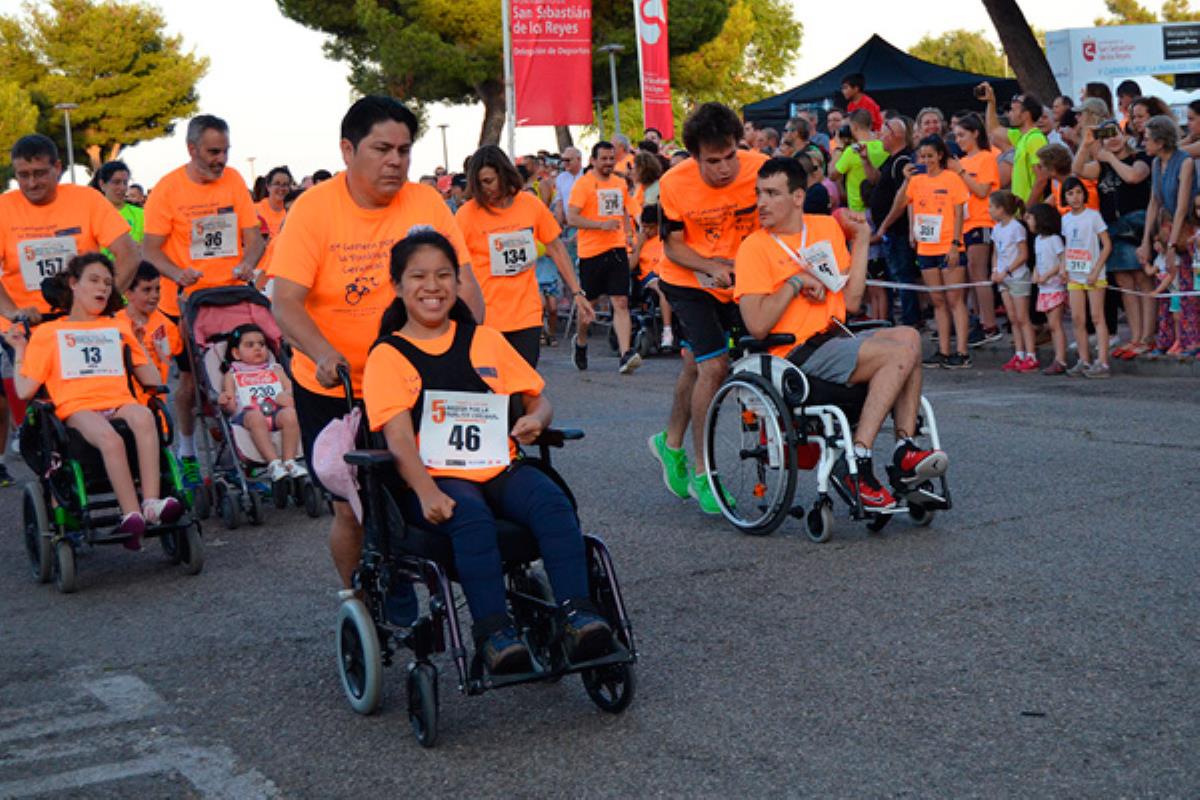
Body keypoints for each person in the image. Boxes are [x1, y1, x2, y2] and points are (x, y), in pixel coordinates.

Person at [363, 230, 614, 674]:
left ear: (458, 283)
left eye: (444, 275)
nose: (433, 286)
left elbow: (538, 399)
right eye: (418, 276)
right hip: (437, 474)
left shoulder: (485, 340)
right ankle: (494, 634)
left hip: (499, 465)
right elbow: (398, 437)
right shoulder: (388, 355)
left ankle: (578, 617)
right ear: (398, 286)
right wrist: (426, 492)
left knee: (553, 503)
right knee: (471, 518)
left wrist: (537, 419)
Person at [269, 96, 482, 596]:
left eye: (404, 151)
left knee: (443, 487)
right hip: (337, 386)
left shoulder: (425, 203)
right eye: (382, 149)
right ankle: (362, 599)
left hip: (414, 379)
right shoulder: (313, 210)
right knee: (353, 507)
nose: (395, 162)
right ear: (348, 150)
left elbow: (465, 285)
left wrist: (473, 346)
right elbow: (285, 302)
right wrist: (322, 352)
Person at [734, 157, 948, 510]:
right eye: (759, 193)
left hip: (834, 337)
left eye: (772, 194)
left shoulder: (824, 229)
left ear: (798, 197)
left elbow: (850, 301)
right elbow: (756, 325)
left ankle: (904, 451)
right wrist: (795, 282)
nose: (762, 203)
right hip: (794, 354)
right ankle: (858, 460)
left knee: (909, 337)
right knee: (898, 355)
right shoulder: (754, 247)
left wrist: (861, 239)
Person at [5, 253, 183, 546]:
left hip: (118, 401)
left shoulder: (119, 326)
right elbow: (25, 391)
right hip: (77, 407)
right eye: (94, 280)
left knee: (144, 417)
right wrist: (21, 349)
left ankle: (151, 503)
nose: (102, 288)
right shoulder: (49, 332)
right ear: (74, 284)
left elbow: (152, 380)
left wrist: (139, 343)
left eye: (108, 283)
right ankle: (131, 514)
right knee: (110, 439)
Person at [647, 102, 768, 514]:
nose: (724, 168)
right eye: (712, 161)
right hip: (688, 278)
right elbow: (673, 246)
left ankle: (670, 443)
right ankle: (705, 474)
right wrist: (711, 267)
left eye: (730, 156)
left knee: (694, 364)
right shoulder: (673, 182)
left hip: (740, 278)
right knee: (714, 367)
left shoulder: (761, 169)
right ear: (695, 157)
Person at [142, 114, 266, 487]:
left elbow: (254, 239)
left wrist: (248, 262)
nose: (221, 159)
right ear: (192, 149)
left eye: (225, 151)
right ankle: (188, 453)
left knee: (240, 374)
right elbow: (150, 251)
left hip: (232, 298)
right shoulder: (167, 190)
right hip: (186, 303)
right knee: (190, 384)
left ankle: (246, 453)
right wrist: (177, 273)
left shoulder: (234, 180)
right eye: (213, 152)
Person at [455, 145, 593, 367]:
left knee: (524, 385)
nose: (486, 188)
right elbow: (454, 267)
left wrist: (577, 292)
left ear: (504, 174)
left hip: (526, 316)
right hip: (485, 319)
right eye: (480, 183)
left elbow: (556, 248)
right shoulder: (466, 215)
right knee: (493, 387)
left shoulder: (530, 205)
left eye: (489, 181)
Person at [0, 134, 138, 319]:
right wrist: (12, 312)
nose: (32, 183)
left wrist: (101, 302)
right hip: (25, 322)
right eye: (23, 175)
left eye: (40, 173)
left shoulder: (87, 200)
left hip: (84, 320)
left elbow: (129, 255)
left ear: (57, 168)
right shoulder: (4, 208)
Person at [879, 136, 971, 368]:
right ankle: (943, 350)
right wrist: (906, 180)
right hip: (926, 247)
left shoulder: (951, 178)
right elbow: (901, 203)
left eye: (930, 156)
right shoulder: (917, 180)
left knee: (955, 299)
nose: (926, 160)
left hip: (948, 245)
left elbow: (959, 213)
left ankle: (962, 351)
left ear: (940, 155)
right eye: (923, 156)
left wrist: (955, 243)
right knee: (937, 300)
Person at [1073, 120, 1154, 359]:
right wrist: (1085, 144)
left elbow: (1133, 177)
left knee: (1142, 280)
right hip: (1114, 228)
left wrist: (1109, 157)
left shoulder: (1140, 157)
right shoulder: (1102, 166)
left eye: (1116, 133)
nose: (1113, 139)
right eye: (1106, 136)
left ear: (1124, 135)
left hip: (1137, 226)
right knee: (1124, 283)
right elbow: (1077, 169)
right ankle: (1135, 336)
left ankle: (1148, 337)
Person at [567, 141, 640, 374]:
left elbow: (628, 209)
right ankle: (581, 342)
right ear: (593, 161)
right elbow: (572, 218)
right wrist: (600, 225)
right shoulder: (584, 184)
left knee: (621, 301)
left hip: (617, 249)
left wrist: (632, 232)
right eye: (604, 159)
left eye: (611, 158)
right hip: (591, 253)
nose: (608, 163)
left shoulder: (619, 183)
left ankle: (625, 354)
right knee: (589, 306)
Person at [1138, 115, 1200, 356]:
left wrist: (1172, 245)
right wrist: (1145, 240)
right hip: (1166, 229)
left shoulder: (1184, 162)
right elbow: (1154, 203)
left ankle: (1191, 341)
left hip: (1186, 230)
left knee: (1187, 288)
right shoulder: (1156, 163)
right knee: (1167, 289)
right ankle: (1168, 339)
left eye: (1147, 139)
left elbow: (1183, 207)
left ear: (1160, 141)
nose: (1143, 143)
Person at [217, 323, 306, 484]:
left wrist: (286, 396)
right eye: (250, 345)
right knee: (255, 417)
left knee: (291, 414)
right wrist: (225, 402)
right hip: (248, 414)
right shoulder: (233, 374)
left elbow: (291, 389)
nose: (258, 348)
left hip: (275, 411)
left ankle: (289, 460)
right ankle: (274, 462)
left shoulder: (275, 369)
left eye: (262, 344)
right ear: (236, 353)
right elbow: (231, 406)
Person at [950, 113, 1002, 342]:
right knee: (971, 274)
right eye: (956, 136)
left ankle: (990, 324)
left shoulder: (986, 158)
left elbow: (982, 191)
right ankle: (978, 319)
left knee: (978, 270)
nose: (958, 140)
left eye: (962, 135)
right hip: (964, 223)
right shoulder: (961, 162)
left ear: (975, 133)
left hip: (982, 220)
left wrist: (960, 172)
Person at [867, 116, 921, 327]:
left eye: (883, 131)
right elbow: (875, 180)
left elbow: (904, 199)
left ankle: (910, 321)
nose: (879, 135)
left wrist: (885, 225)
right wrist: (865, 160)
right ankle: (896, 319)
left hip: (898, 231)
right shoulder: (891, 160)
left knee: (903, 276)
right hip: (890, 231)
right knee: (894, 275)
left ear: (896, 135)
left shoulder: (902, 161)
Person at [1061, 177, 1113, 378]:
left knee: (1097, 317)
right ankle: (1083, 360)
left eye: (1078, 192)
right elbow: (1067, 245)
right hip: (1075, 274)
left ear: (1084, 194)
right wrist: (1063, 267)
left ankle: (1103, 362)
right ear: (1065, 197)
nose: (1075, 197)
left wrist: (1096, 270)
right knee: (1077, 318)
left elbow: (1106, 245)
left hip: (1093, 274)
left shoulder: (1093, 216)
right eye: (1070, 193)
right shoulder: (1065, 219)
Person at [121, 261, 182, 402]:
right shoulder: (115, 324)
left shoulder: (166, 325)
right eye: (147, 290)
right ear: (128, 293)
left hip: (155, 402)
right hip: (125, 402)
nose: (154, 295)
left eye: (157, 289)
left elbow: (167, 360)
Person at [988, 191, 1035, 371]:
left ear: (1001, 209)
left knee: (1022, 317)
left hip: (1017, 277)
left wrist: (1007, 271)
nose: (989, 210)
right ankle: (1019, 353)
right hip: (1003, 278)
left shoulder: (1016, 227)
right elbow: (995, 253)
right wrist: (995, 271)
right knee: (1013, 318)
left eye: (992, 207)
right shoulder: (996, 229)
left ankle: (1031, 354)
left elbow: (1023, 254)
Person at [980, 83, 1047, 204]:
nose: (1009, 114)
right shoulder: (1021, 136)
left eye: (1013, 110)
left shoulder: (1035, 138)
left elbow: (1042, 178)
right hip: (1020, 209)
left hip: (1029, 210)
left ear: (1025, 115)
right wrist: (991, 102)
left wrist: (1029, 207)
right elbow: (993, 129)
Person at [1027, 203, 1069, 374]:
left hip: (1055, 287)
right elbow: (1038, 261)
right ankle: (1058, 358)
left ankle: (1061, 359)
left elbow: (1062, 260)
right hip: (1044, 288)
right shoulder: (1038, 240)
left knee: (1055, 324)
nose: (1028, 221)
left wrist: (1048, 275)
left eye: (1031, 218)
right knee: (1052, 325)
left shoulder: (1054, 239)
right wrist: (1036, 273)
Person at [630, 205, 675, 348]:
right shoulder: (639, 239)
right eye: (644, 227)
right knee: (663, 289)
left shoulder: (666, 237)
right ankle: (667, 331)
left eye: (650, 227)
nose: (647, 231)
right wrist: (639, 245)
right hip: (649, 278)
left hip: (668, 273)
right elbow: (630, 266)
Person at [833, 109, 888, 213]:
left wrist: (839, 147)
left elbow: (832, 175)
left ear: (854, 127)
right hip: (880, 206)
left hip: (857, 210)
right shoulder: (884, 147)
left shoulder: (853, 150)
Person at [94, 160, 145, 246]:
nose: (122, 187)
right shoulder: (92, 215)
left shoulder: (141, 215)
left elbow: (149, 248)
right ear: (102, 184)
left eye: (125, 182)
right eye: (116, 182)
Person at [256, 166, 293, 239]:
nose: (281, 188)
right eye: (277, 183)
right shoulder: (255, 210)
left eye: (285, 184)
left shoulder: (292, 211)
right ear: (268, 186)